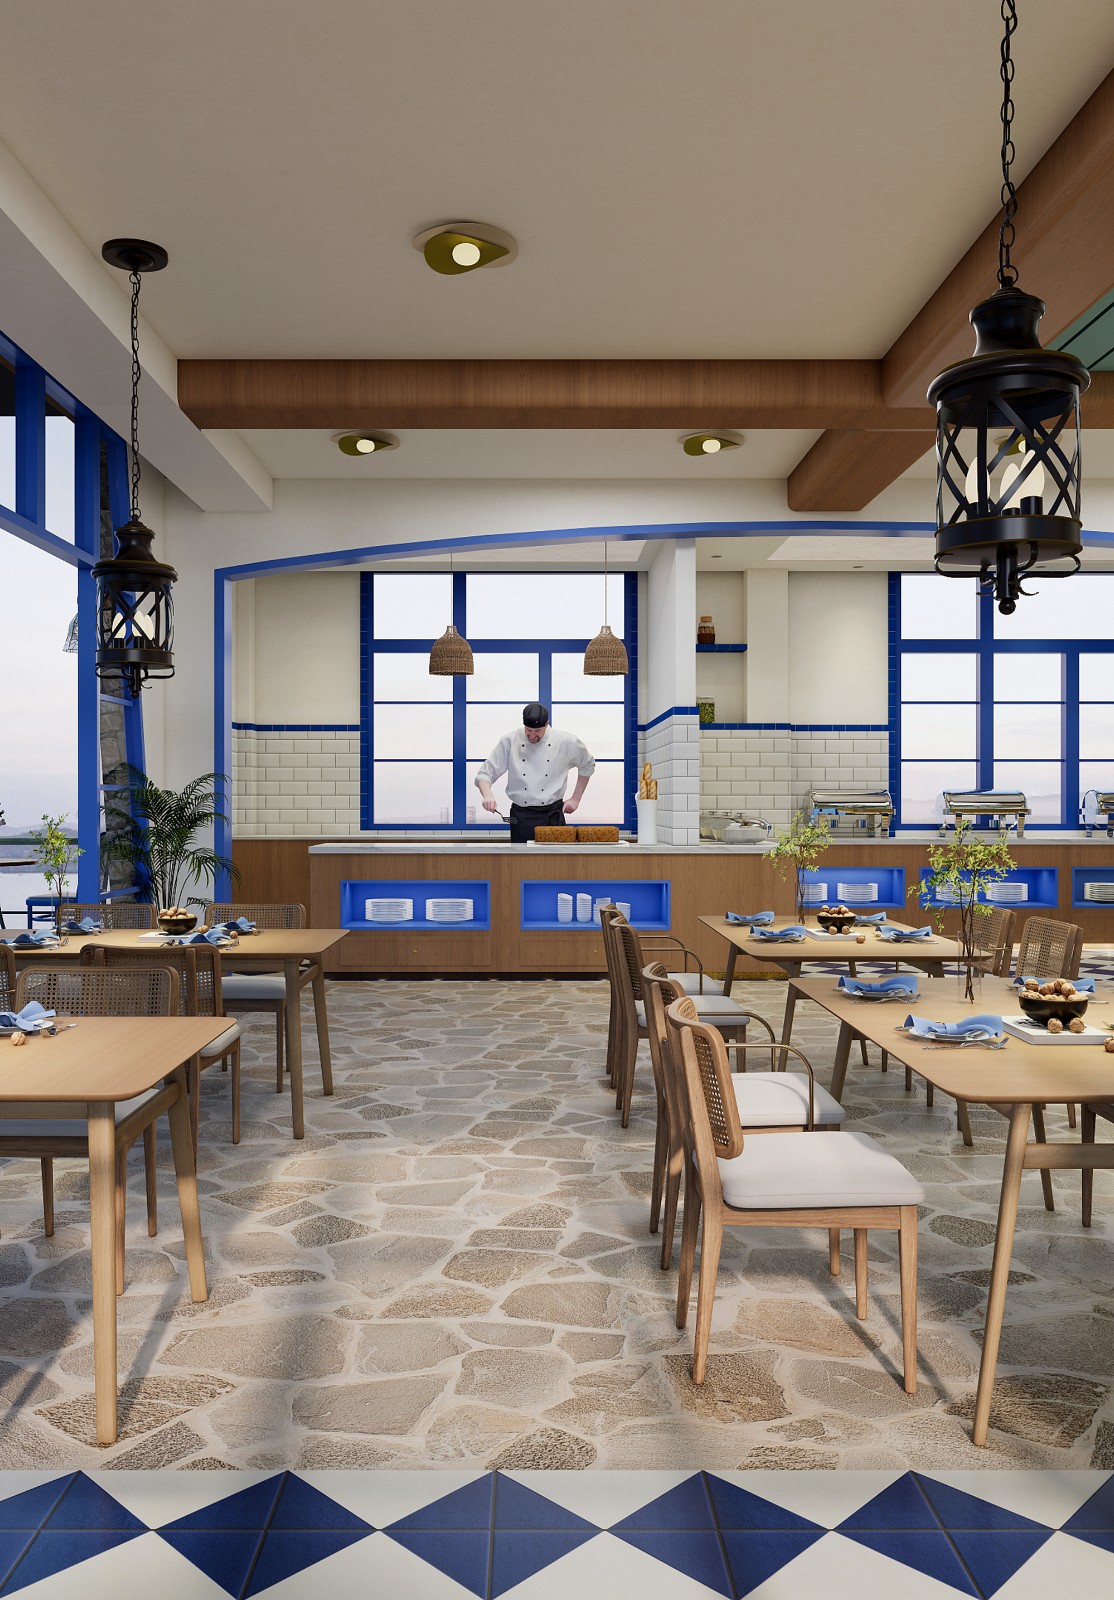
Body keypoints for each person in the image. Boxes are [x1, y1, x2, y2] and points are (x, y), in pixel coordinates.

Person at [475, 702, 595, 842]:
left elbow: (588, 765)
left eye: (537, 731)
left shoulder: (566, 741)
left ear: (546, 724)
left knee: (555, 857)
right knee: (521, 857)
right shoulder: (510, 740)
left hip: (552, 815)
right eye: (528, 730)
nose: (532, 736)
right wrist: (487, 795)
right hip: (521, 816)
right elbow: (484, 774)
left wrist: (576, 799)